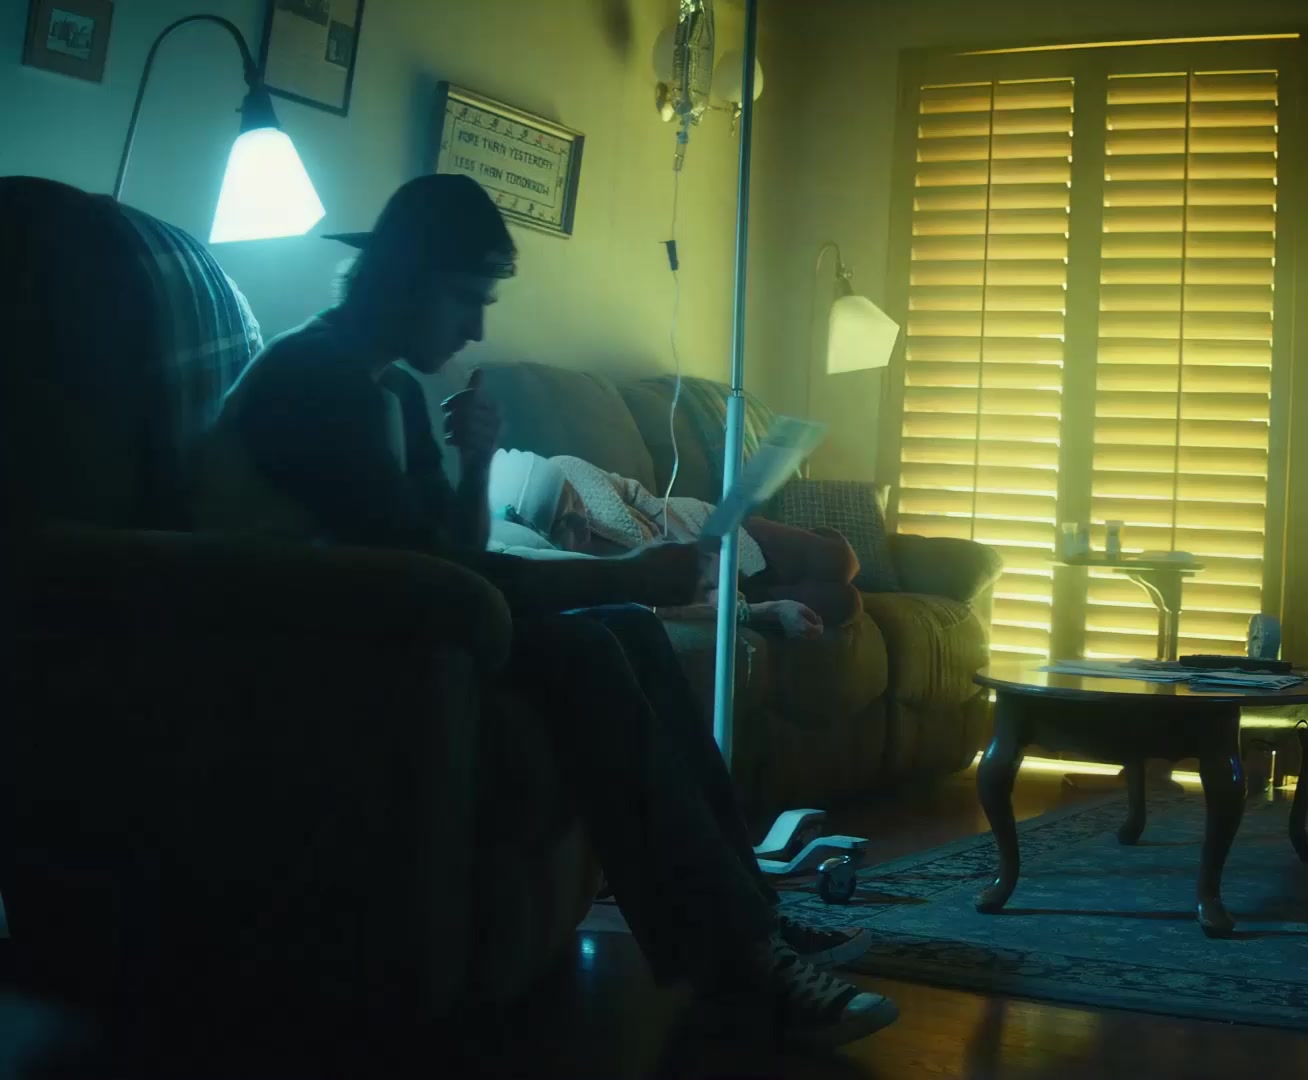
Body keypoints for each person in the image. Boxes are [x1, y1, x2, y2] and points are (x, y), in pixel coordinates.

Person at [201, 174, 895, 1048]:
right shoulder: (314, 379)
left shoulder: (394, 391)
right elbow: (438, 575)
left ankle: (748, 922)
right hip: (308, 639)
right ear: (404, 280)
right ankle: (740, 963)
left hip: (402, 618)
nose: (475, 328)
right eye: (465, 299)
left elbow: (445, 553)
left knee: (627, 628)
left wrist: (477, 461)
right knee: (590, 647)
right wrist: (625, 572)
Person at [486, 447, 863, 636]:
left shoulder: (568, 468)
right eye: (563, 523)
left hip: (699, 525)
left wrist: (694, 546)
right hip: (717, 587)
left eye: (574, 501)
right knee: (843, 603)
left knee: (839, 560)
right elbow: (670, 604)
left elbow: (637, 494)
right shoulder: (586, 577)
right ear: (542, 535)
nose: (579, 518)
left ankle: (818, 534)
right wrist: (764, 609)